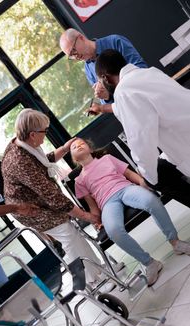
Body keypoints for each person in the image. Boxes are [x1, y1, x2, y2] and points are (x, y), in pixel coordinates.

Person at [2, 108, 110, 287]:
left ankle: (99, 269)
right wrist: (85, 215)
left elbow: (46, 161)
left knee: (74, 235)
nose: (46, 135)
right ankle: (92, 281)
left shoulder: (26, 144)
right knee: (69, 236)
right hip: (30, 209)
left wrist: (66, 148)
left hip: (40, 200)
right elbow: (52, 196)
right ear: (32, 134)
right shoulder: (19, 161)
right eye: (44, 131)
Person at [70, 138, 190, 286]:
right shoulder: (79, 180)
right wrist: (97, 220)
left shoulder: (107, 158)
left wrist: (141, 182)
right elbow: (92, 206)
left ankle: (175, 242)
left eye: (81, 143)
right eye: (74, 147)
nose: (78, 145)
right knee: (114, 231)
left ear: (91, 148)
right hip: (107, 203)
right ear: (74, 158)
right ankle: (150, 263)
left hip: (125, 188)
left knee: (151, 201)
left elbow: (128, 173)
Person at [88, 49, 190, 207]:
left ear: (105, 77)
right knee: (161, 165)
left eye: (99, 81)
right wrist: (102, 108)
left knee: (155, 176)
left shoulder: (124, 91)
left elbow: (141, 141)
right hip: (182, 132)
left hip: (184, 143)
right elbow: (134, 106)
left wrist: (146, 176)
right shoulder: (150, 73)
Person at [59, 28, 147, 104]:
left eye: (73, 50)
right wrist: (106, 97)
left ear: (81, 38)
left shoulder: (115, 41)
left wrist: (115, 85)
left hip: (146, 94)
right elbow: (111, 105)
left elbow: (141, 68)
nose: (75, 56)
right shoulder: (88, 69)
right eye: (71, 56)